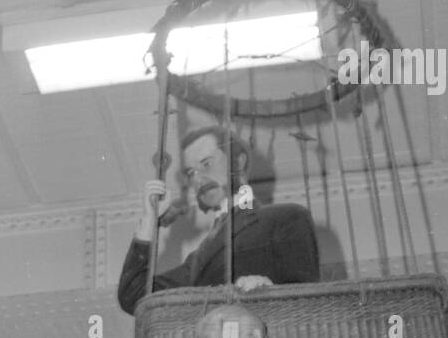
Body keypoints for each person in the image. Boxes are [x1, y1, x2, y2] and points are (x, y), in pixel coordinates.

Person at [117, 125, 320, 315]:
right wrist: (150, 220)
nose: (198, 180)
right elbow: (133, 295)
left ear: (238, 163)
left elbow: (308, 303)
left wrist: (270, 290)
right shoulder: (199, 259)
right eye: (191, 172)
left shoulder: (286, 218)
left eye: (207, 164)